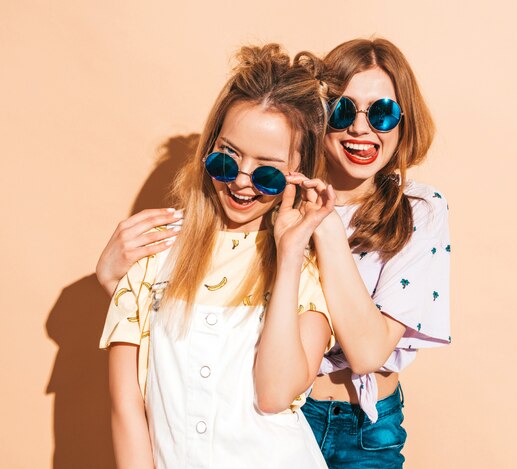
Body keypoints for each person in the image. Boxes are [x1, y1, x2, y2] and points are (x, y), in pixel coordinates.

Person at [97, 38, 450, 469]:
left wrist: (323, 227)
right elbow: (183, 306)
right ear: (320, 122)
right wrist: (115, 280)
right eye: (342, 110)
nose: (361, 128)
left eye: (382, 113)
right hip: (281, 416)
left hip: (362, 422)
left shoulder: (415, 211)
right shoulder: (270, 200)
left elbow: (367, 353)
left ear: (404, 120)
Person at [99, 44, 337, 469]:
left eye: (266, 173)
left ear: (296, 177)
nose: (241, 183)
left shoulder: (304, 271)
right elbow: (126, 408)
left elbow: (275, 394)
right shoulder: (153, 251)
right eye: (226, 160)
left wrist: (289, 253)